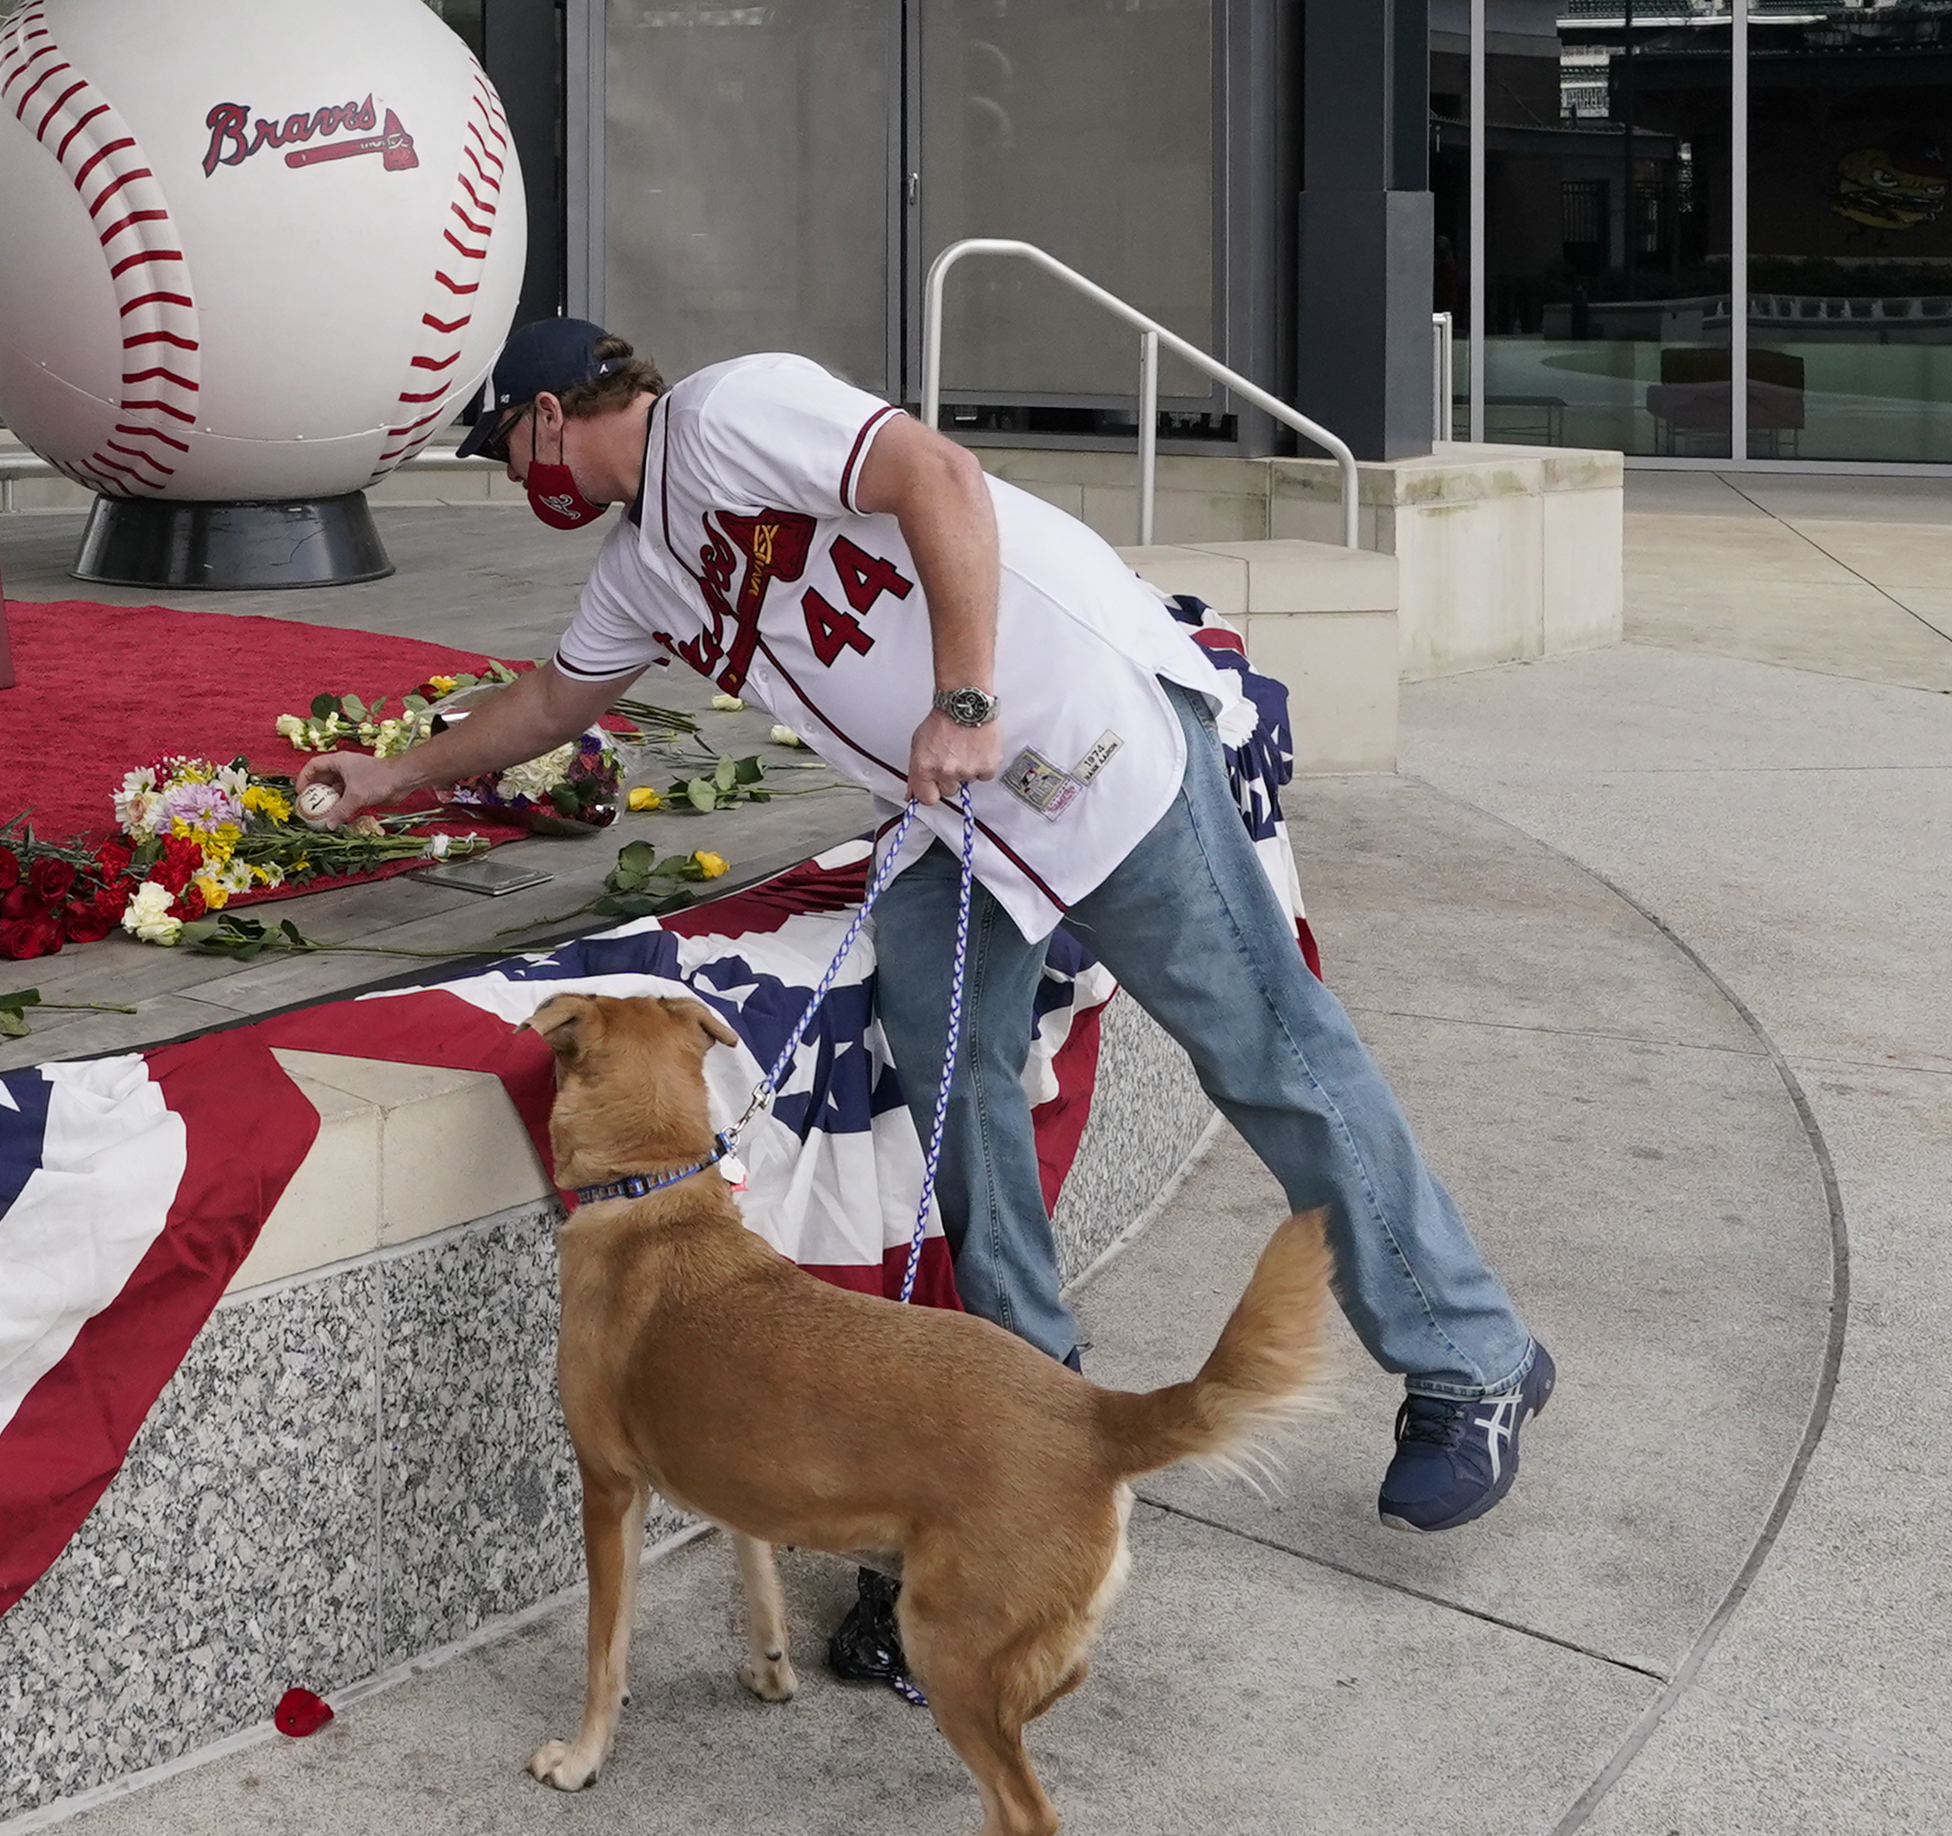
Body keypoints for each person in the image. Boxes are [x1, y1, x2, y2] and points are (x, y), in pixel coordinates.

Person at [290, 316, 1553, 1635]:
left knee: (1268, 1055)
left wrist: (960, 696)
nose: (509, 478)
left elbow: (934, 477)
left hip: (1076, 740)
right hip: (964, 823)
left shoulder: (725, 411)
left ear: (549, 415)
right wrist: (389, 777)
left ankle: (1470, 1359)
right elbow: (549, 705)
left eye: (503, 445)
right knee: (944, 1069)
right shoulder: (646, 566)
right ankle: (1031, 1410)